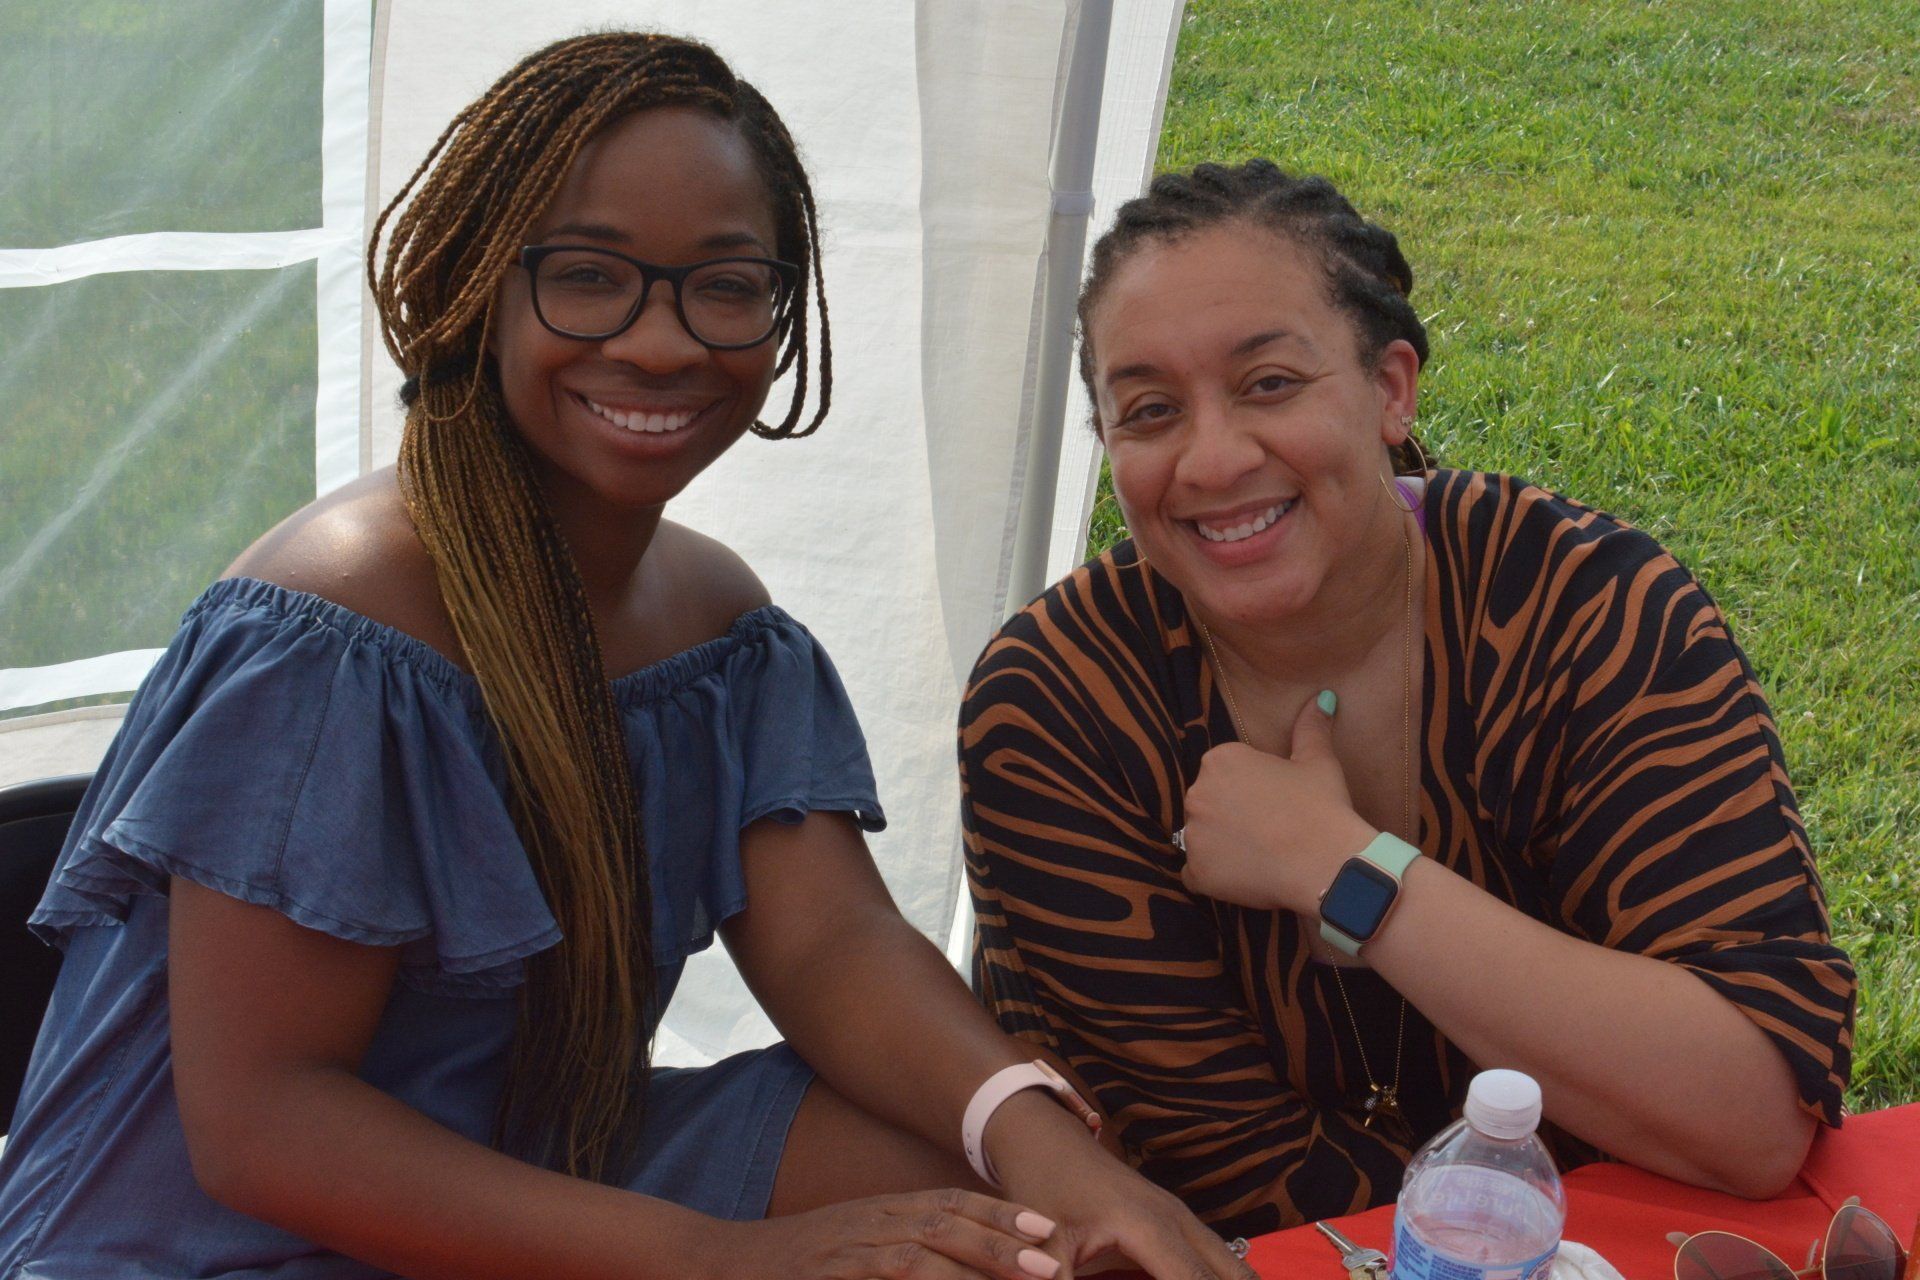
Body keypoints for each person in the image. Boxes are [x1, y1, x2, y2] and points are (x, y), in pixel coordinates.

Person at [0, 35, 1253, 1280]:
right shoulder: (338, 632)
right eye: (589, 276)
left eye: (725, 285)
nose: (661, 343)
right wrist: (725, 1256)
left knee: (982, 1197)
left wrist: (1052, 1152)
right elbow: (265, 1128)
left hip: (535, 1156)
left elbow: (834, 947)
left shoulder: (720, 632)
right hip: (214, 1237)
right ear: (479, 283)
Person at [957, 159, 1857, 1239]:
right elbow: (1219, 1177)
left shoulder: (1586, 608)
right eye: (1150, 411)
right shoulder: (1055, 708)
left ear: (1391, 388)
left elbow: (1755, 1112)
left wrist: (1347, 871)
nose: (1212, 458)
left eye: (1268, 383)